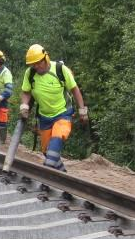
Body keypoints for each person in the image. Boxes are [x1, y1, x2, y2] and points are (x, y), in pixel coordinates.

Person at [19, 44, 88, 172]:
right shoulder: (30, 74)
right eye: (33, 64)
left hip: (63, 113)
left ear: (45, 58)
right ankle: (63, 176)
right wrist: (24, 106)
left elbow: (74, 89)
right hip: (44, 116)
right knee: (46, 151)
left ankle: (46, 176)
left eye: (38, 63)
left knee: (56, 140)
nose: (36, 66)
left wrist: (82, 110)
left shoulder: (60, 69)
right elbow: (26, 91)